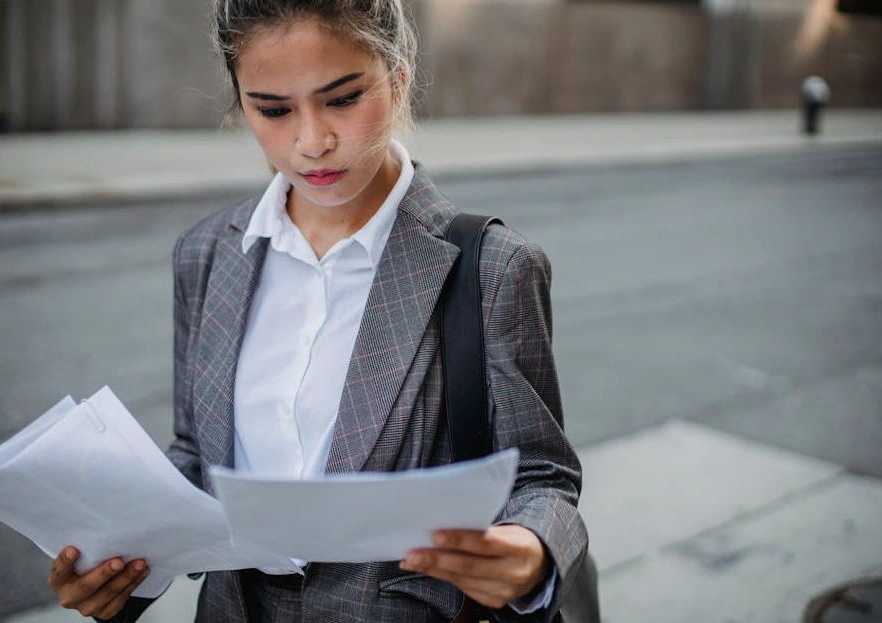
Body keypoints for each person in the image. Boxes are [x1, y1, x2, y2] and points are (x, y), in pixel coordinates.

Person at [47, 1, 588, 621]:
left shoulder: (492, 266)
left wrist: (530, 552)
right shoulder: (206, 253)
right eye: (273, 109)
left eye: (343, 98)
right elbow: (198, 453)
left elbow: (543, 476)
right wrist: (121, 570)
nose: (312, 142)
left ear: (400, 71)